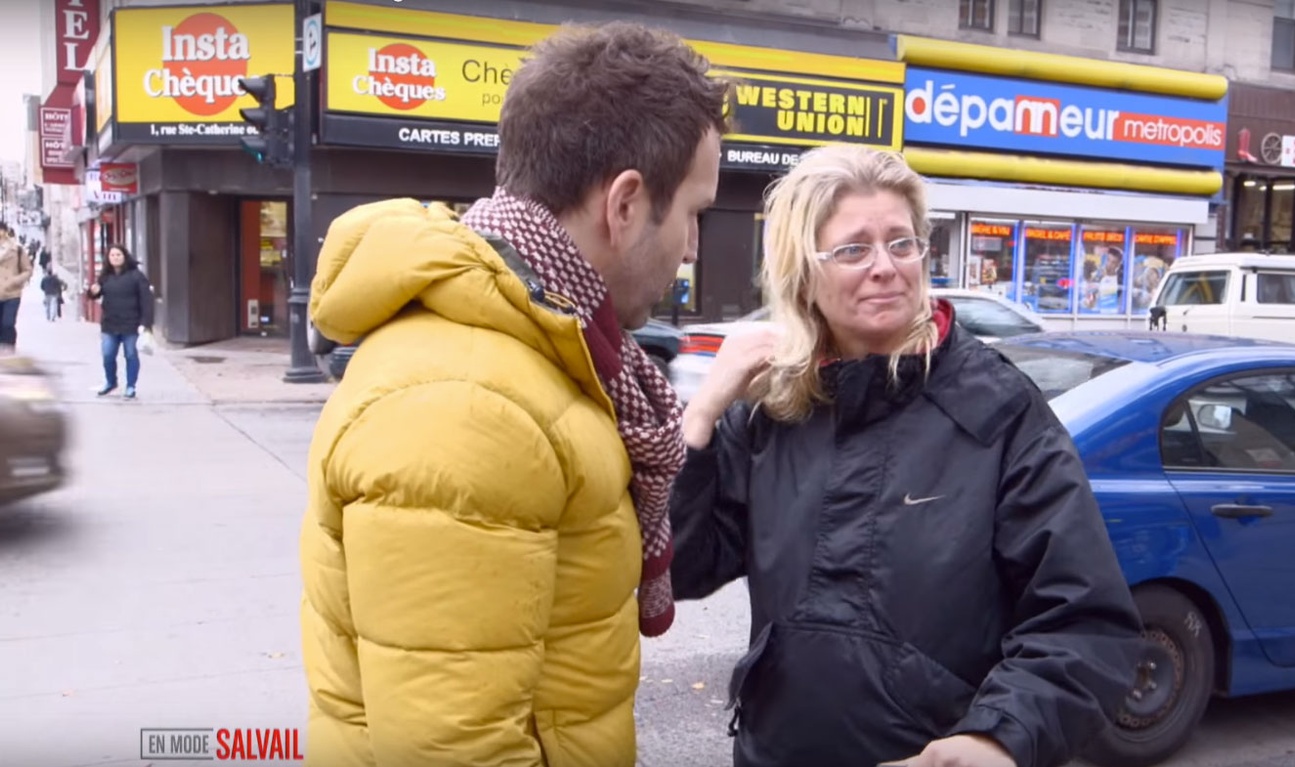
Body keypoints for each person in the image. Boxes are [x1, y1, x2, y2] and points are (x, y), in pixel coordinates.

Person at [299, 21, 728, 767]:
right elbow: (447, 749)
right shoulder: (471, 403)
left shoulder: (545, 354)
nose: (692, 247)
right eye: (693, 212)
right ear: (625, 205)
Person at [668, 144, 1145, 767]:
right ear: (802, 271)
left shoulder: (997, 410)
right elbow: (680, 569)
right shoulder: (772, 411)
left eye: (901, 242)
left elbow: (1088, 623)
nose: (885, 267)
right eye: (853, 249)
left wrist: (997, 737)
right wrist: (700, 416)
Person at [88, 244, 154, 399]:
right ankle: (111, 382)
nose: (115, 258)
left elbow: (146, 300)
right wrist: (92, 292)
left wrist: (146, 323)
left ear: (124, 256)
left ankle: (131, 386)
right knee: (108, 355)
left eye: (118, 255)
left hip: (131, 324)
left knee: (131, 355)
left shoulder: (136, 276)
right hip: (110, 323)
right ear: (108, 258)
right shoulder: (105, 276)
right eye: (112, 255)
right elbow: (95, 295)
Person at [0, 225, 32, 352]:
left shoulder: (16, 249)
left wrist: (15, 280)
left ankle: (8, 349)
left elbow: (27, 270)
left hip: (11, 293)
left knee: (8, 323)